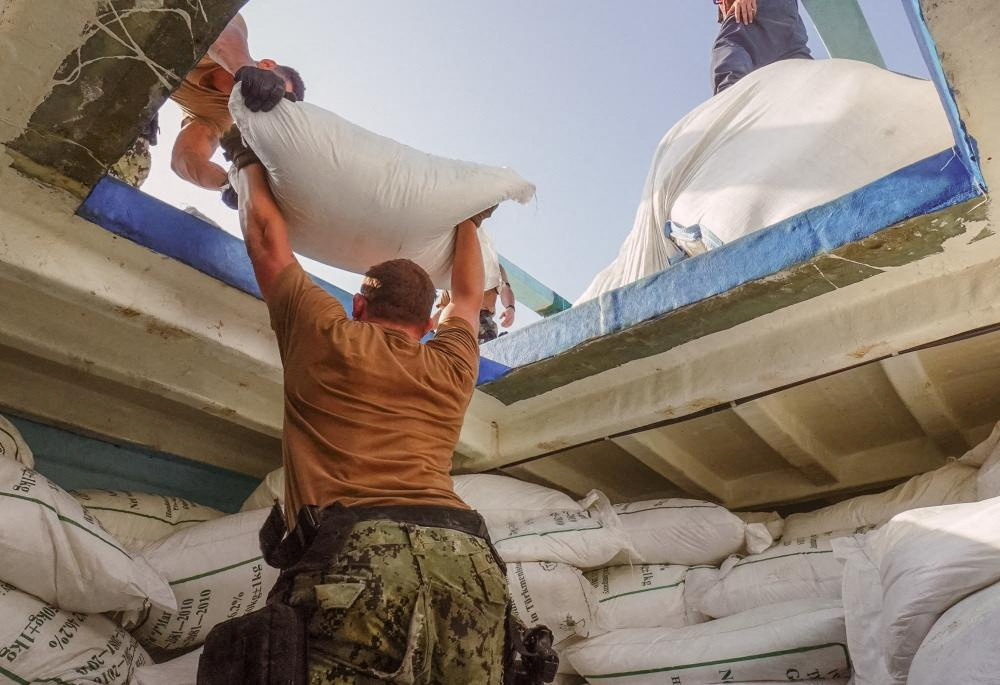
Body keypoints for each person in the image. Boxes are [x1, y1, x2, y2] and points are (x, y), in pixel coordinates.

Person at [223, 140, 509, 682]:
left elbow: (264, 239)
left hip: (359, 555)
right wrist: (469, 221)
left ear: (359, 305)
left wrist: (246, 157)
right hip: (467, 557)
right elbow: (468, 296)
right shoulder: (452, 363)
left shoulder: (325, 333)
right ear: (428, 322)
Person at [110, 13, 304, 207]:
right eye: (275, 89)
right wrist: (244, 68)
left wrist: (229, 184)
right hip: (129, 16)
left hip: (114, 65)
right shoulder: (232, 34)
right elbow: (220, 31)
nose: (267, 96)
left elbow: (185, 157)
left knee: (135, 139)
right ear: (267, 64)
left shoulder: (219, 116)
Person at [711, 0, 812, 95]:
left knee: (731, 42)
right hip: (786, 17)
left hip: (760, 6)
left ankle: (731, 93)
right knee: (795, 64)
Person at [434, 265, 516, 344]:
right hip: (454, 321)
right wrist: (428, 325)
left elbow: (504, 288)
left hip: (479, 318)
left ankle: (495, 343)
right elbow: (443, 310)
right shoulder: (453, 270)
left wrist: (510, 307)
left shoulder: (492, 265)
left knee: (484, 346)